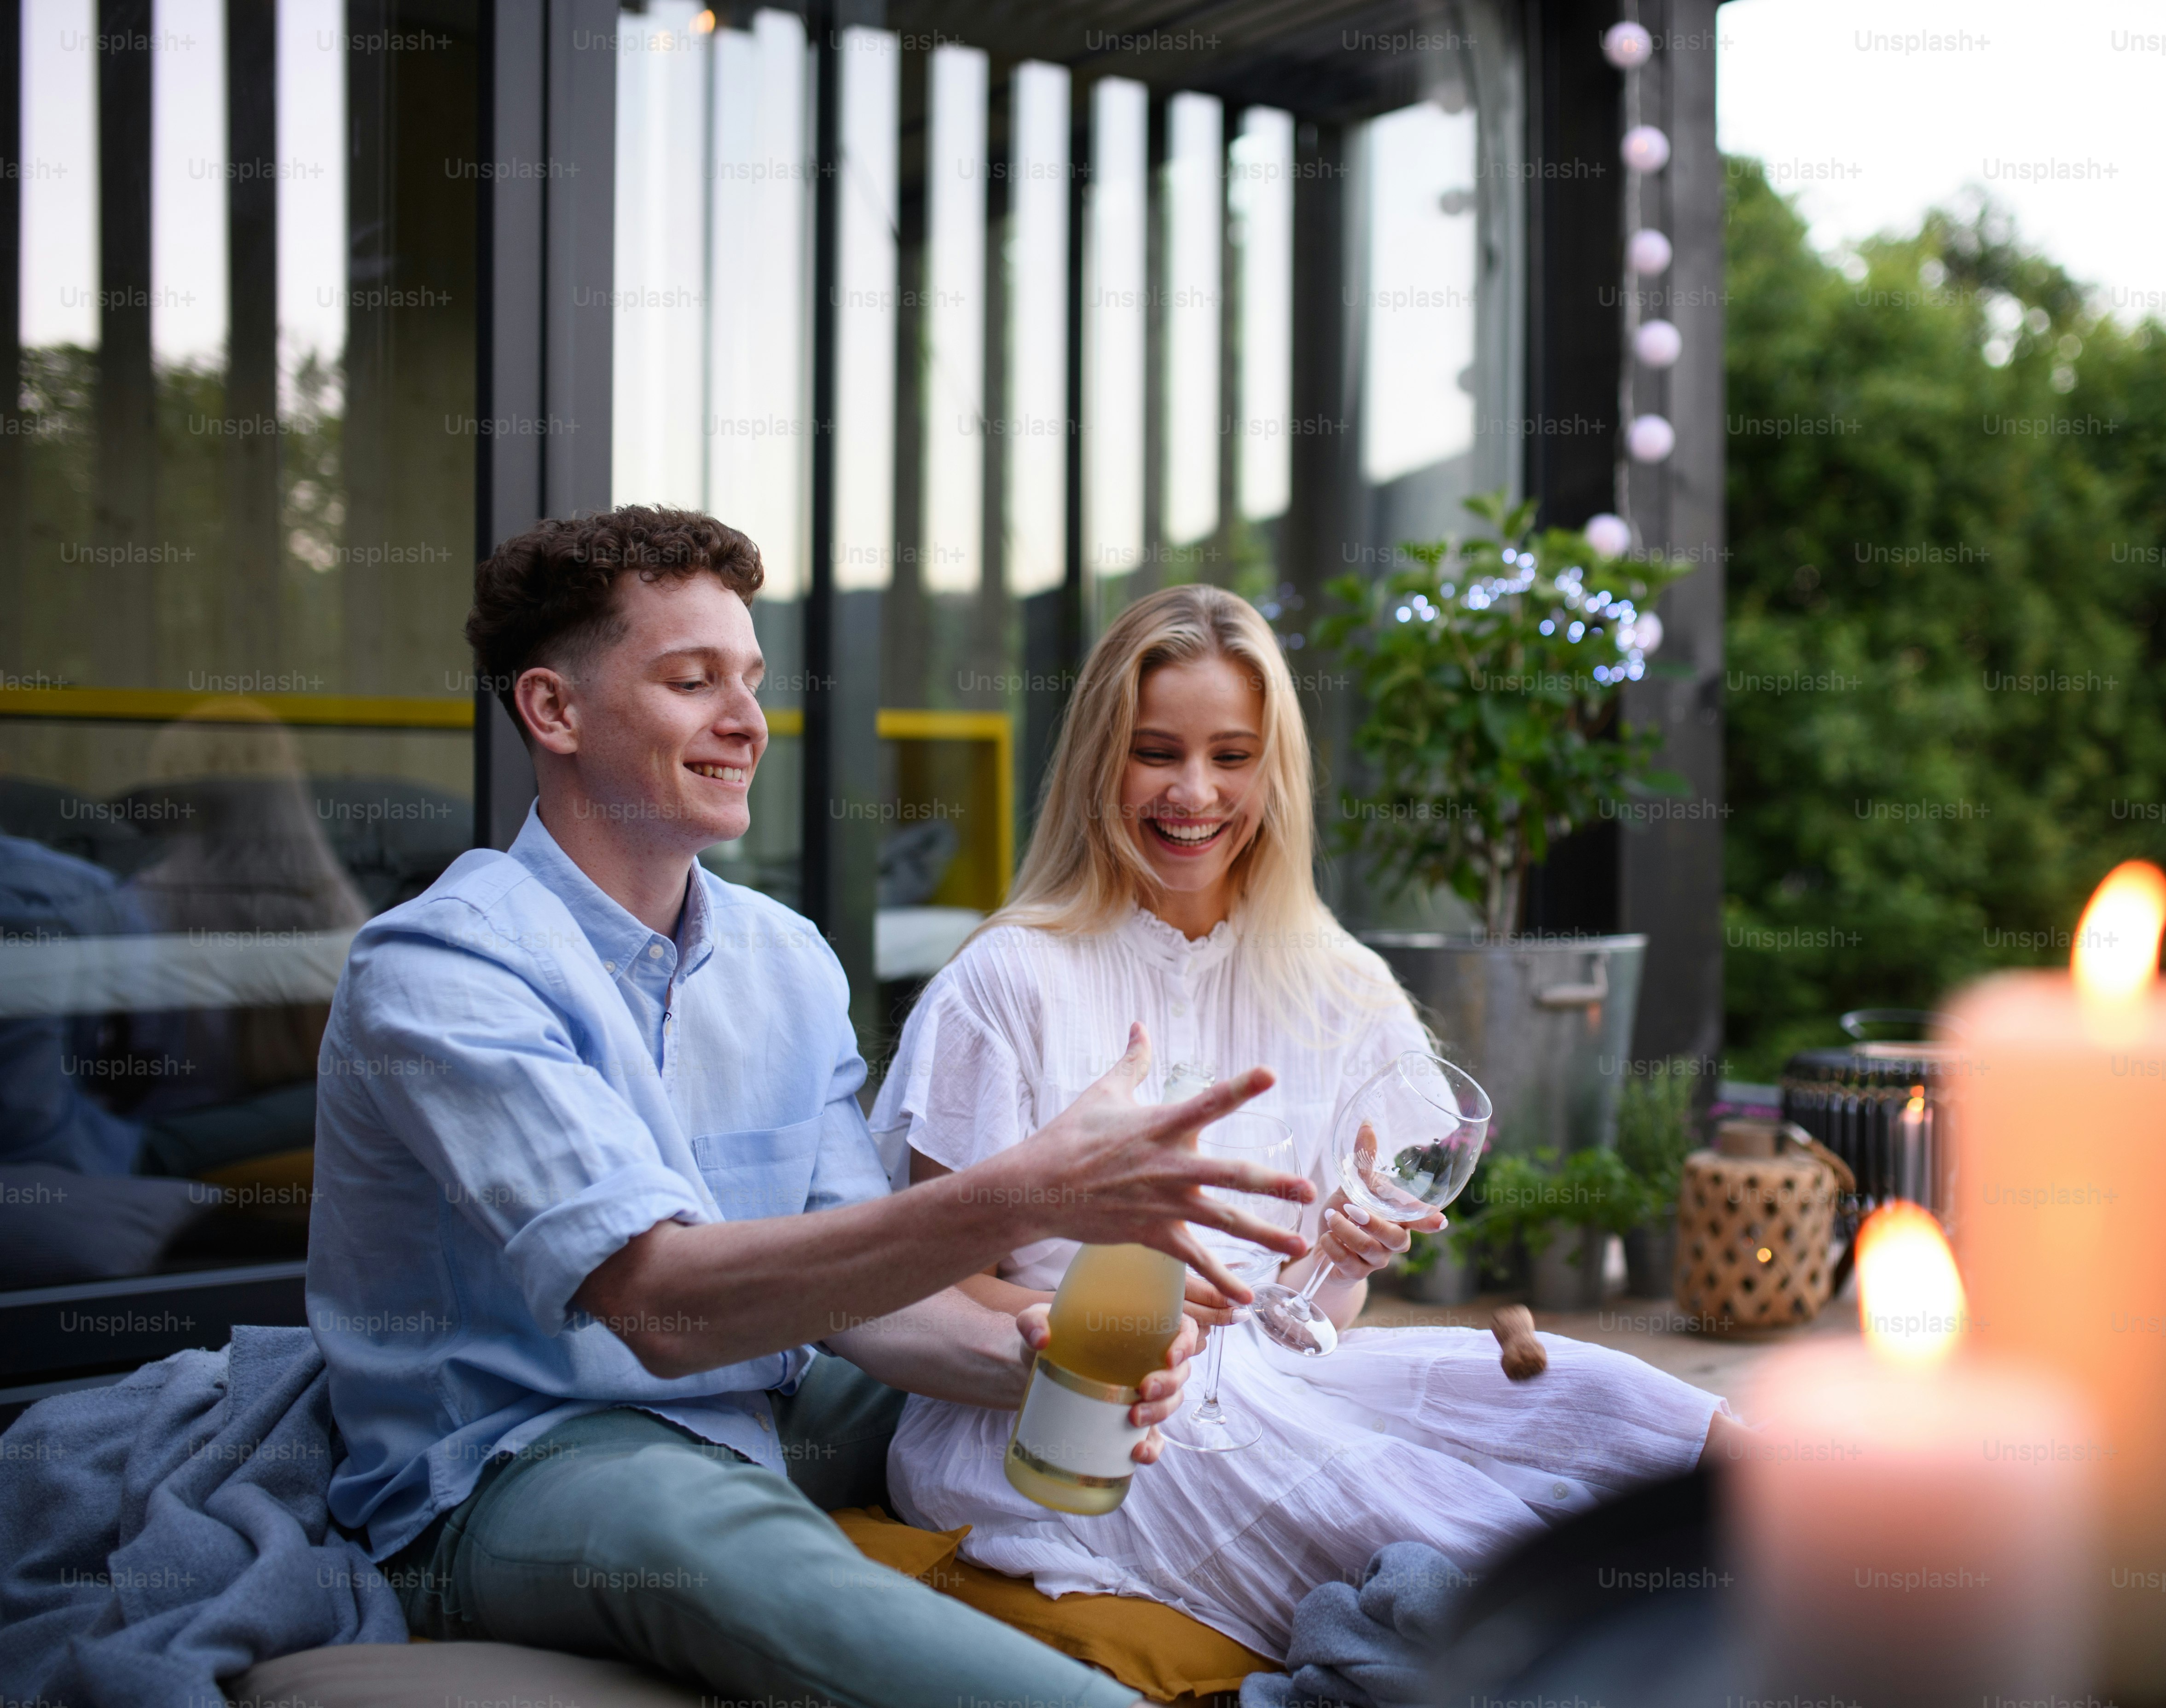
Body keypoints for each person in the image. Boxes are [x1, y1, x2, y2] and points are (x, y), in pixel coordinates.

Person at [307, 508, 1315, 1708]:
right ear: (553, 711)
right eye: (693, 682)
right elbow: (659, 1311)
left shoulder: (785, 960)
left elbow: (871, 1309)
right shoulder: (441, 971)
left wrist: (1040, 1364)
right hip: (518, 1461)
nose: (748, 722)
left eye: (752, 680)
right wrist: (1026, 1193)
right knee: (705, 1527)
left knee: (1107, 1338)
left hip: (769, 1408)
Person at [875, 584, 1737, 1659]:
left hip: (1278, 1371)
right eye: (1156, 751)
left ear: (1273, 770)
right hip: (1066, 1412)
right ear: (1100, 761)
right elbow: (913, 1276)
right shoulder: (1007, 981)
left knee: (1614, 1403)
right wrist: (1078, 1331)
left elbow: (1318, 1308)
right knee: (1439, 1519)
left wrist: (1344, 1250)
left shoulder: (1342, 985)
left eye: (1232, 755)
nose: (1195, 791)